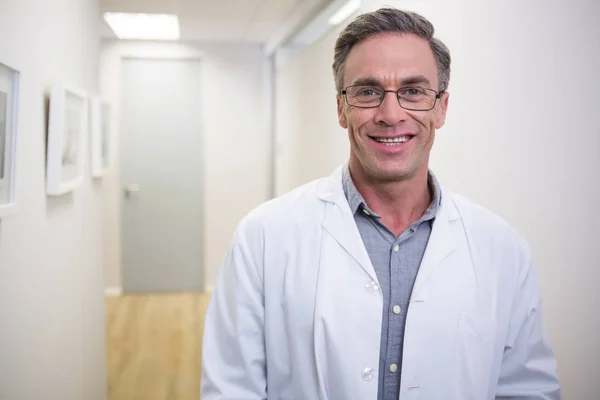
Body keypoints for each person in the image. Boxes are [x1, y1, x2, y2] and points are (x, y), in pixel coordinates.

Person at [200, 7, 561, 400]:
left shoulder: (502, 249)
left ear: (441, 108)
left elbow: (526, 389)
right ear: (341, 108)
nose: (391, 115)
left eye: (413, 91)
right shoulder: (264, 236)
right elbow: (232, 389)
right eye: (368, 91)